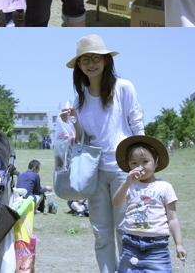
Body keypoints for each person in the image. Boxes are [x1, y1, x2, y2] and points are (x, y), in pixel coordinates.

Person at [60, 34, 145, 273]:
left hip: (123, 172)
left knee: (125, 231)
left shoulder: (123, 87)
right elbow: (81, 140)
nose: (90, 63)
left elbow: (137, 125)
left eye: (95, 57)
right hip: (94, 173)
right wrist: (71, 122)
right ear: (78, 65)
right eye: (84, 59)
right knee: (102, 234)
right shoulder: (79, 100)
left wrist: (143, 165)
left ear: (106, 60)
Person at [112, 135, 187, 270]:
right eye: (134, 163)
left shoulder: (164, 186)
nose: (139, 167)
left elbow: (173, 219)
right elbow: (116, 202)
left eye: (145, 161)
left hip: (157, 247)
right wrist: (127, 182)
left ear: (156, 162)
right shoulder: (129, 186)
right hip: (131, 243)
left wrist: (179, 244)